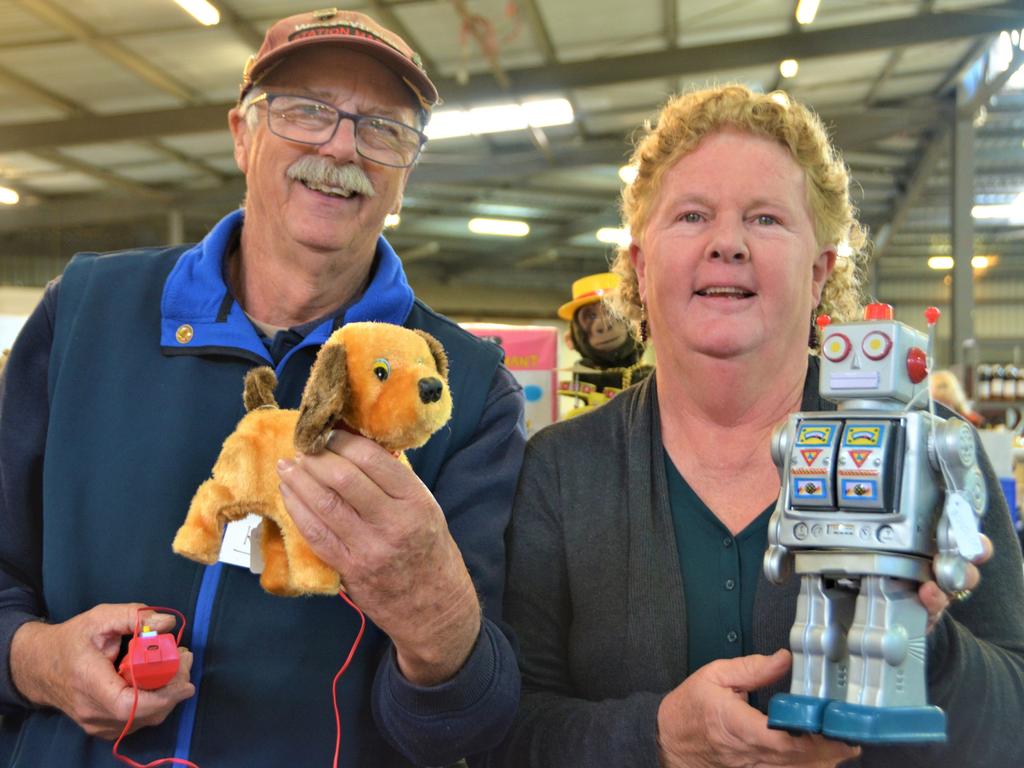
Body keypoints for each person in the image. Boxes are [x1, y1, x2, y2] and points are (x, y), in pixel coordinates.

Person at [0, 9, 525, 768]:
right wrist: (33, 659)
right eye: (308, 110)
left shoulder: (462, 391)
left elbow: (469, 729)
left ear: (405, 171)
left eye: (383, 128)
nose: (342, 145)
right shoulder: (85, 313)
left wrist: (438, 618)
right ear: (243, 135)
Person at [492, 85, 1024, 767]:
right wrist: (654, 737)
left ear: (820, 272)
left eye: (766, 219)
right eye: (691, 216)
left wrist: (933, 651)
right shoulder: (562, 472)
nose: (727, 244)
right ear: (640, 267)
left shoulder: (928, 449)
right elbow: (511, 732)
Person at [556, 272, 653, 418]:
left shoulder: (656, 377)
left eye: (613, 312)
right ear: (570, 340)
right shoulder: (582, 375)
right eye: (590, 316)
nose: (604, 326)